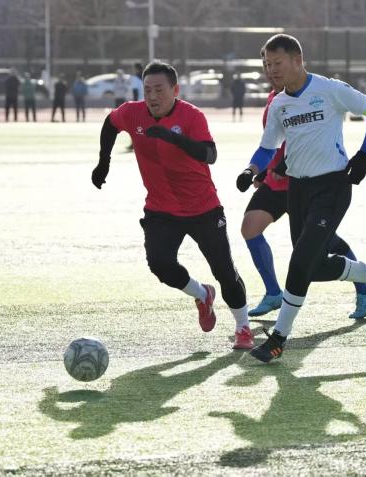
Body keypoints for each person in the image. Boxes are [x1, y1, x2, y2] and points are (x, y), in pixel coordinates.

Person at [240, 34, 366, 363]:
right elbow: (267, 148)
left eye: (277, 63)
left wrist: (364, 155)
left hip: (332, 187)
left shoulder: (330, 89)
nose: (271, 70)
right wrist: (251, 169)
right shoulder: (279, 104)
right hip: (297, 190)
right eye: (267, 64)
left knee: (299, 263)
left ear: (297, 60)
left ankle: (278, 339)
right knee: (312, 266)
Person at [91, 61, 254, 350]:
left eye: (159, 90)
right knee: (160, 265)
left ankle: (243, 327)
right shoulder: (132, 112)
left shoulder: (192, 116)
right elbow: (110, 123)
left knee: (224, 271)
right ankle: (202, 294)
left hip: (203, 208)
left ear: (175, 90)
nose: (152, 96)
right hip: (161, 209)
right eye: (148, 90)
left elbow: (210, 154)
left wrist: (174, 138)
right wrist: (104, 162)